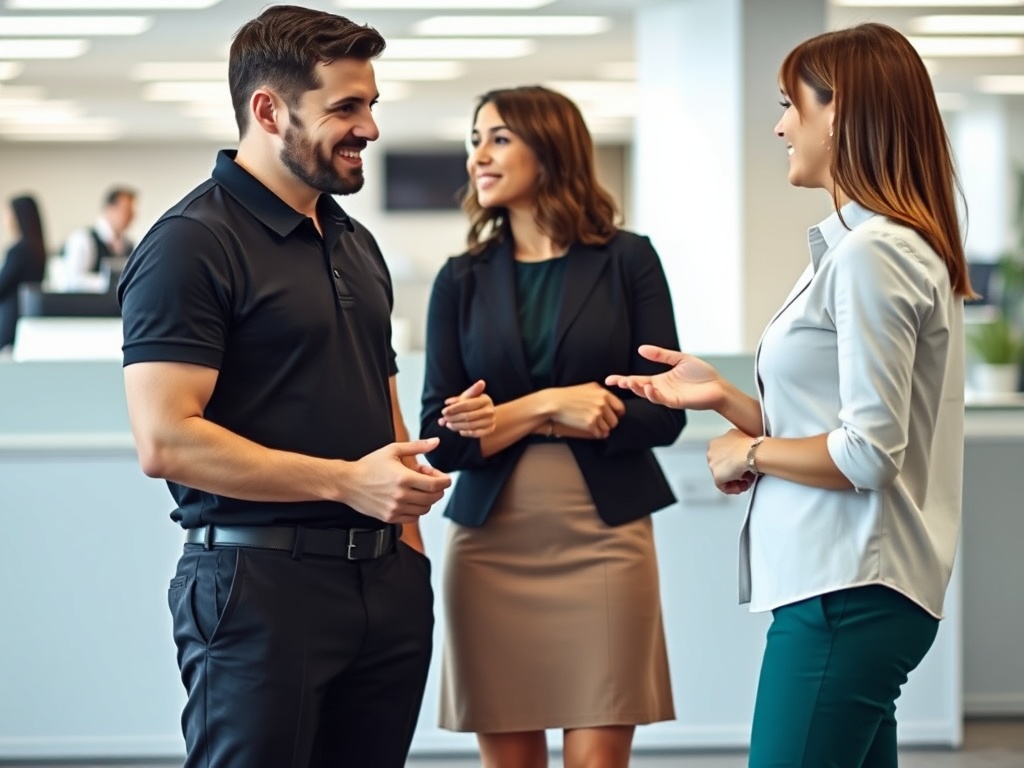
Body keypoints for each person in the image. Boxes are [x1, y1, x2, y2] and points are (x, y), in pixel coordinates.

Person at [607, 23, 971, 768]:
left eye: (788, 104)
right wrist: (728, 401)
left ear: (839, 113)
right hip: (853, 586)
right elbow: (848, 420)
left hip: (849, 588)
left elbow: (869, 453)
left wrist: (751, 451)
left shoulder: (875, 254)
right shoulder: (867, 246)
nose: (778, 125)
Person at [117, 6, 451, 768]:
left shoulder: (354, 241)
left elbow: (381, 398)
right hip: (258, 586)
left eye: (371, 105)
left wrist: (408, 555)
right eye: (345, 107)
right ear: (268, 110)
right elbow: (165, 438)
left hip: (384, 586)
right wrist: (346, 485)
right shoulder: (192, 244)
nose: (369, 127)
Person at [420, 85, 686, 768]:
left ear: (552, 148)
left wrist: (521, 416)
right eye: (475, 138)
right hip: (491, 542)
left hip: (605, 535)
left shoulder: (629, 261)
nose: (479, 154)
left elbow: (663, 410)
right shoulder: (461, 279)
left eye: (499, 138)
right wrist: (547, 405)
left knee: (598, 758)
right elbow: (441, 437)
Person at [62, 186, 136, 291]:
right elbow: (73, 280)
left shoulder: (129, 245)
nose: (131, 216)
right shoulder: (84, 239)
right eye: (126, 210)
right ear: (109, 209)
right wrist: (108, 282)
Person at [0, 194, 48, 351]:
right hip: (25, 321)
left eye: (7, 214)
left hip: (8, 322)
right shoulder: (38, 249)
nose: (5, 220)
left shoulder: (18, 251)